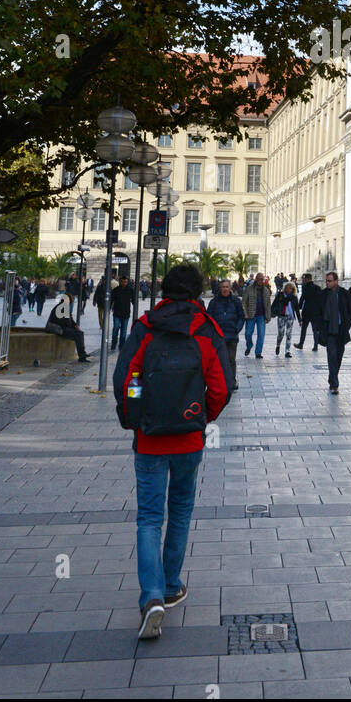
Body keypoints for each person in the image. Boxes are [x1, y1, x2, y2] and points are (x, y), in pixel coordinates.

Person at [114, 264, 232, 639]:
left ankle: (150, 597)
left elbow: (124, 378)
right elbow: (222, 387)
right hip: (189, 438)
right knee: (180, 512)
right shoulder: (207, 330)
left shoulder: (146, 326)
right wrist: (202, 418)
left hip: (150, 438)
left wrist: (133, 417)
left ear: (165, 289)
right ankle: (170, 585)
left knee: (149, 518)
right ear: (199, 292)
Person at [205, 278, 244, 389]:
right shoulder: (214, 302)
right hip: (218, 336)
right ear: (220, 288)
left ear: (230, 288)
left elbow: (241, 316)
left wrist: (237, 328)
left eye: (227, 287)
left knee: (231, 359)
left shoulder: (236, 301)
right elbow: (209, 317)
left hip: (232, 335)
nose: (225, 289)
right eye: (223, 287)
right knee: (219, 360)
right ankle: (221, 381)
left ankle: (232, 381)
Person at [318, 270, 351, 393]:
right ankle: (334, 384)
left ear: (336, 281)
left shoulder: (344, 293)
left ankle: (332, 377)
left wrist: (347, 325)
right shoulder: (323, 294)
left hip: (341, 330)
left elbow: (350, 311)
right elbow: (319, 312)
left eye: (330, 281)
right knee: (331, 356)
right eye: (326, 281)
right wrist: (320, 328)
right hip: (329, 330)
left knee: (338, 357)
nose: (327, 283)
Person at [45, 291, 90, 362]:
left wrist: (75, 325)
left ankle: (82, 354)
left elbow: (70, 320)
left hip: (62, 327)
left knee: (80, 333)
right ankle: (82, 355)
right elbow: (63, 321)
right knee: (78, 334)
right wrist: (72, 326)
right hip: (58, 328)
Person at [242, 272, 272, 359]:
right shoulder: (249, 288)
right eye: (259, 279)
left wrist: (268, 316)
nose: (260, 281)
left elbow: (268, 304)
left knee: (261, 335)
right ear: (256, 279)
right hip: (251, 315)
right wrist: (245, 313)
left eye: (262, 279)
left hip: (261, 316)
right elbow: (244, 301)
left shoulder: (266, 290)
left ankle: (258, 352)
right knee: (248, 333)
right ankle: (249, 345)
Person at [272, 281, 300, 358]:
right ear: (285, 288)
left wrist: (300, 320)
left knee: (289, 334)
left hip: (290, 317)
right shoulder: (280, 295)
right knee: (281, 333)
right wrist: (272, 312)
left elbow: (297, 309)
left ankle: (287, 351)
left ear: (293, 289)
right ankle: (278, 345)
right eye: (287, 287)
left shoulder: (294, 297)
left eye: (290, 288)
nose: (288, 289)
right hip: (281, 316)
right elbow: (275, 304)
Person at [295, 273, 323, 350]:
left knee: (304, 329)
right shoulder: (317, 288)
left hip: (307, 311)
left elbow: (303, 298)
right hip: (315, 312)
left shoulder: (305, 287)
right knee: (315, 330)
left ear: (307, 279)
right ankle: (315, 346)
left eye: (304, 279)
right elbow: (321, 300)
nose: (303, 280)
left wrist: (299, 307)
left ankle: (301, 344)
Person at [111, 275, 136, 352]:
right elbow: (111, 300)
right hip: (117, 312)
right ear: (119, 281)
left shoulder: (130, 290)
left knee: (124, 330)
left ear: (127, 282)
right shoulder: (116, 290)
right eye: (122, 281)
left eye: (125, 282)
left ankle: (122, 345)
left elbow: (133, 300)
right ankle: (114, 343)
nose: (123, 283)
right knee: (116, 328)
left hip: (126, 313)